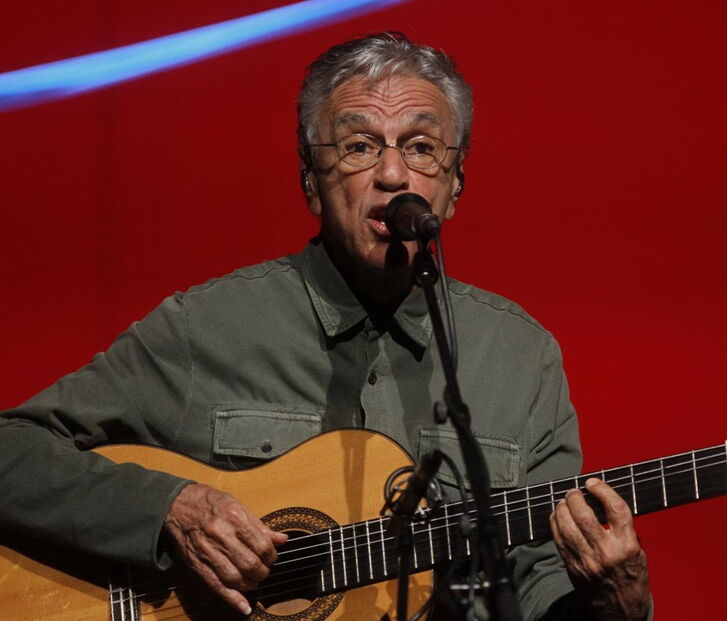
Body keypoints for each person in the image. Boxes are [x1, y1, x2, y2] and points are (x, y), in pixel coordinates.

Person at [0, 33, 651, 620]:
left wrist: (615, 601)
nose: (392, 174)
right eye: (359, 145)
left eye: (421, 147)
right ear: (310, 181)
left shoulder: (522, 360)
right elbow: (12, 448)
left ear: (454, 185)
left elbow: (534, 592)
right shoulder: (208, 327)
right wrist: (170, 509)